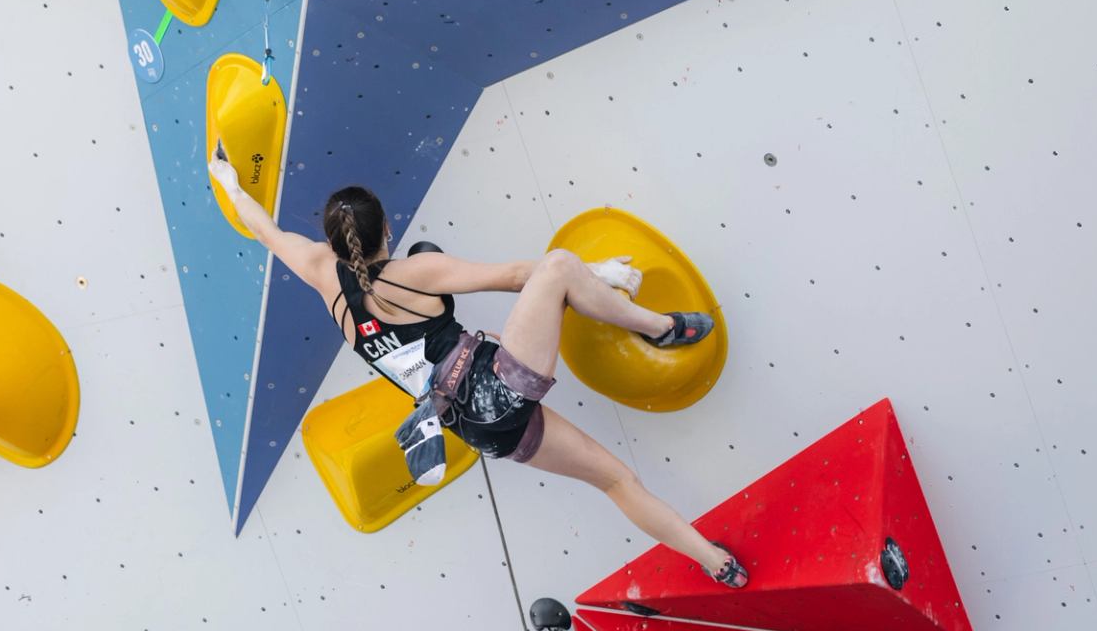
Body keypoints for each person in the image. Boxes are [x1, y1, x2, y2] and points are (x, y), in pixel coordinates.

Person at [209, 157, 747, 588]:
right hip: (496, 386)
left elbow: (266, 231)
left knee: (615, 480)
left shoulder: (320, 275)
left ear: (331, 243)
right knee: (559, 266)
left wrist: (230, 187)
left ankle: (716, 562)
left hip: (474, 428)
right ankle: (659, 327)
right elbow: (517, 276)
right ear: (387, 231)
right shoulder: (414, 271)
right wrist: (596, 272)